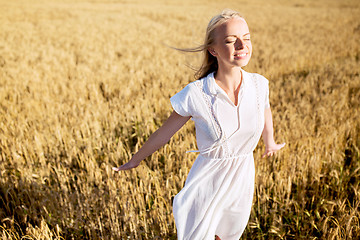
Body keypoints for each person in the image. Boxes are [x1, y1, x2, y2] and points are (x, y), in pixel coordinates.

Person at [113, 9, 285, 240]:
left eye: (246, 37)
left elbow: (264, 109)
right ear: (213, 50)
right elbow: (163, 134)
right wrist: (135, 160)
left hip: (242, 178)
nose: (242, 45)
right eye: (230, 40)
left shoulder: (259, 84)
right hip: (208, 181)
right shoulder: (196, 94)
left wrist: (270, 141)